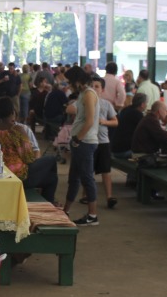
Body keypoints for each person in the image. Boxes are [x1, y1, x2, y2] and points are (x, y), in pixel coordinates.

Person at [0, 97, 58, 203]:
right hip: (18, 175)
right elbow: (28, 158)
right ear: (12, 112)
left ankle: (46, 202)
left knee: (52, 178)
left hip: (0, 171)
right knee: (51, 161)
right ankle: (48, 206)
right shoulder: (17, 130)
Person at [62, 66, 100, 226]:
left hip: (85, 142)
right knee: (74, 179)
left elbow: (90, 120)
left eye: (70, 82)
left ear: (78, 81)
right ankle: (66, 211)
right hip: (79, 141)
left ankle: (92, 215)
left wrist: (78, 138)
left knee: (86, 178)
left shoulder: (89, 94)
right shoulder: (84, 94)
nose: (69, 85)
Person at [84, 77, 118, 209]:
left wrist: (104, 122)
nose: (94, 88)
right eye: (91, 86)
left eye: (97, 86)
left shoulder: (106, 104)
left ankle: (109, 197)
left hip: (103, 141)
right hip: (89, 140)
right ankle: (86, 194)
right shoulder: (85, 103)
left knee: (106, 170)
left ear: (102, 90)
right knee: (88, 170)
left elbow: (115, 122)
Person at [112, 93, 147, 159]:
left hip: (115, 148)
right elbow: (146, 131)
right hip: (124, 151)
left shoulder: (125, 110)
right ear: (142, 105)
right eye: (146, 103)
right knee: (150, 153)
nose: (146, 105)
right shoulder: (138, 115)